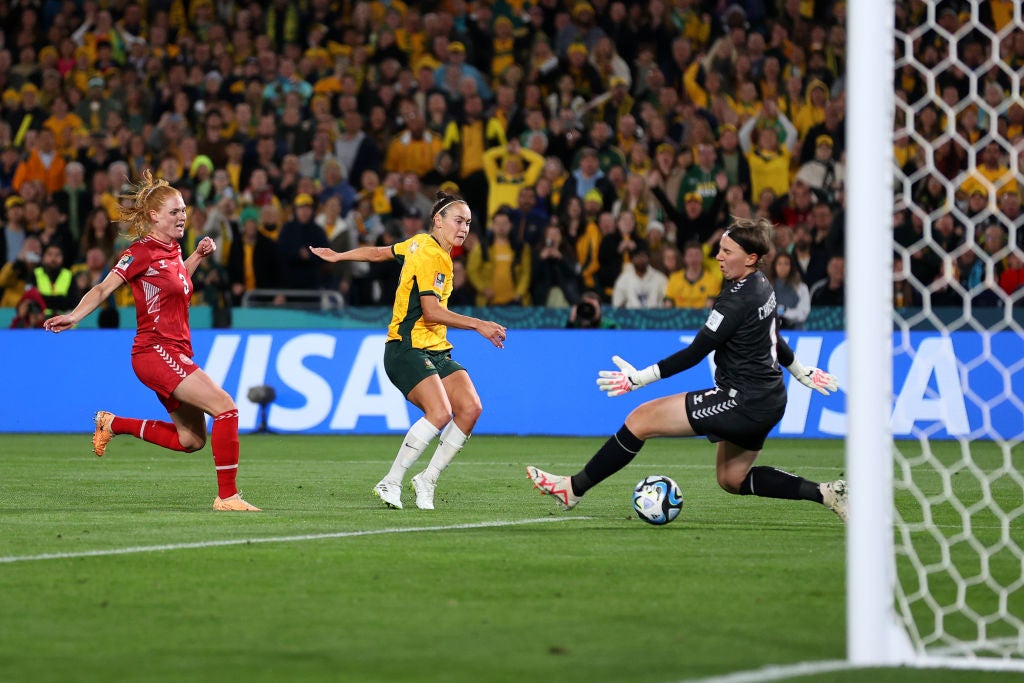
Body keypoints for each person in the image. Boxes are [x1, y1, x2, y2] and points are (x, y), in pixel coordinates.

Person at [527, 217, 848, 521]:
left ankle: (573, 488)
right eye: (720, 249)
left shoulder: (735, 300)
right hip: (770, 399)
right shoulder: (762, 283)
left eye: (726, 251)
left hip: (743, 400)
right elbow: (773, 336)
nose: (718, 257)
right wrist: (799, 370)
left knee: (640, 420)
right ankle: (826, 494)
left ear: (751, 257)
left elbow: (695, 353)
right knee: (732, 479)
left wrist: (639, 378)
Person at [42, 170, 260, 512]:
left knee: (191, 440)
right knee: (227, 408)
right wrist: (75, 315)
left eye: (184, 210)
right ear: (154, 216)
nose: (182, 217)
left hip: (175, 351)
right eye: (175, 212)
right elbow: (103, 288)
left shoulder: (172, 250)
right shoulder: (139, 252)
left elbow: (175, 283)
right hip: (155, 351)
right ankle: (227, 497)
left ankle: (112, 423)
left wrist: (197, 258)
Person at [310, 190, 508, 510]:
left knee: (470, 408)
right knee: (440, 412)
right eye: (458, 221)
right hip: (406, 347)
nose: (464, 228)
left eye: (468, 223)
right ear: (438, 221)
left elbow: (378, 253)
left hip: (435, 349)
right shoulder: (430, 253)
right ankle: (391, 481)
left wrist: (339, 255)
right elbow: (430, 311)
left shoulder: (419, 244)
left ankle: (427, 479)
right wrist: (478, 325)